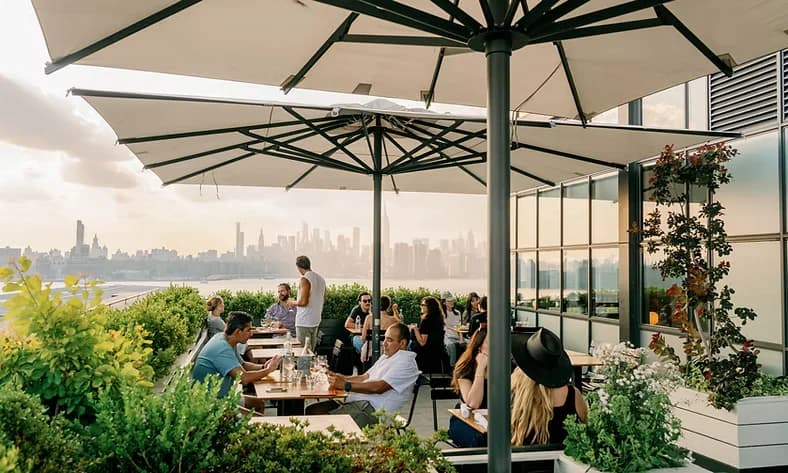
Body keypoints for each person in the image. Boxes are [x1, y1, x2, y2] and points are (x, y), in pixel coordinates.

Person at [305, 323, 419, 428]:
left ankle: (333, 446)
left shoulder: (406, 363)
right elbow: (364, 377)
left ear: (403, 343)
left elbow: (379, 388)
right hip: (359, 402)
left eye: (389, 340)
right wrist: (338, 377)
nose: (384, 343)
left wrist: (346, 385)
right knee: (313, 410)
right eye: (384, 338)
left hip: (373, 411)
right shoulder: (387, 356)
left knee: (318, 422)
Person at [510, 328, 588, 446]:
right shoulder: (573, 395)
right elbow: (586, 429)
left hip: (521, 461)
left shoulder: (514, 393)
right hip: (564, 462)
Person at [191, 311, 282, 401]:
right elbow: (243, 378)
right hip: (210, 403)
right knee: (254, 409)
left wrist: (263, 366)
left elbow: (243, 365)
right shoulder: (222, 348)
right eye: (248, 330)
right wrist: (268, 370)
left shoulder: (225, 339)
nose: (251, 333)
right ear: (238, 331)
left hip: (222, 397)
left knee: (257, 403)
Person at [448, 328, 488, 447]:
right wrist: (481, 368)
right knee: (481, 441)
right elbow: (473, 403)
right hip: (466, 419)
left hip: (492, 421)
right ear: (479, 346)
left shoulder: (507, 367)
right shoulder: (467, 368)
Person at [286, 255, 325, 353]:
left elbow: (303, 302)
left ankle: (304, 369)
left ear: (298, 267)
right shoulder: (321, 279)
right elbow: (323, 299)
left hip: (304, 321)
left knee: (303, 353)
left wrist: (292, 302)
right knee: (311, 351)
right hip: (316, 320)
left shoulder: (305, 279)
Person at [409, 296, 447, 373]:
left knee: (408, 345)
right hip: (438, 351)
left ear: (429, 307)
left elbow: (422, 342)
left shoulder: (426, 321)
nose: (421, 306)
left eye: (423, 305)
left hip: (426, 353)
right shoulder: (438, 319)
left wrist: (415, 329)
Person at [360, 295, 401, 362]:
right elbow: (400, 323)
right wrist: (395, 310)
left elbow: (363, 339)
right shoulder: (392, 320)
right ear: (388, 306)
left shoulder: (369, 318)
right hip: (386, 352)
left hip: (369, 352)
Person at [441, 291, 463, 366]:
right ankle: (452, 367)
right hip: (448, 336)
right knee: (451, 346)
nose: (451, 302)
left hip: (457, 335)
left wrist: (461, 338)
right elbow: (446, 327)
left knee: (469, 344)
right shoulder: (442, 314)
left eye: (452, 300)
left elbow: (459, 327)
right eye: (449, 301)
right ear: (444, 302)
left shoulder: (458, 313)